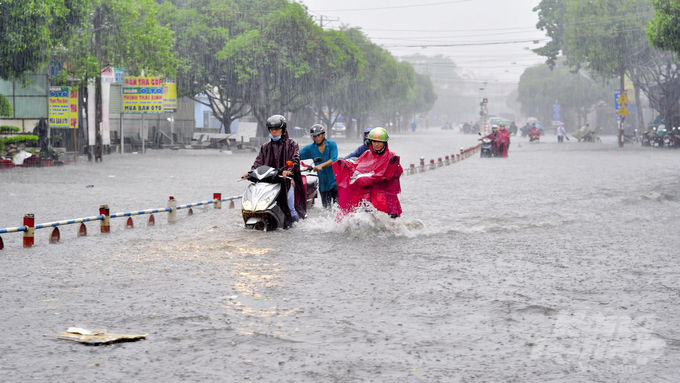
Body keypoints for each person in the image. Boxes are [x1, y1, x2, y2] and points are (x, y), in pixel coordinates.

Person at [243, 114, 306, 228]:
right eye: (272, 129)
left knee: (290, 209)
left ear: (283, 129)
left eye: (277, 129)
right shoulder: (265, 147)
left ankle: (296, 229)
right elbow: (258, 162)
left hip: (286, 181)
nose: (274, 132)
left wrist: (288, 170)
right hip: (269, 183)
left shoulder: (292, 144)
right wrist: (251, 172)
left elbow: (295, 159)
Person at [332, 127, 403, 218]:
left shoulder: (391, 156)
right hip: (368, 194)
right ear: (370, 142)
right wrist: (344, 164)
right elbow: (356, 166)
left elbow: (397, 172)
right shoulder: (366, 154)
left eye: (379, 142)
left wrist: (381, 176)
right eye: (374, 141)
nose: (376, 144)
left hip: (385, 194)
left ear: (385, 143)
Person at [300, 124, 338, 209]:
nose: (316, 138)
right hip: (323, 185)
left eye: (318, 135)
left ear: (323, 134)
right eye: (314, 136)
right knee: (326, 209)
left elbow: (333, 159)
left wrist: (321, 165)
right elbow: (297, 155)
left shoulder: (332, 144)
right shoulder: (310, 148)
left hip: (334, 182)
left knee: (338, 208)